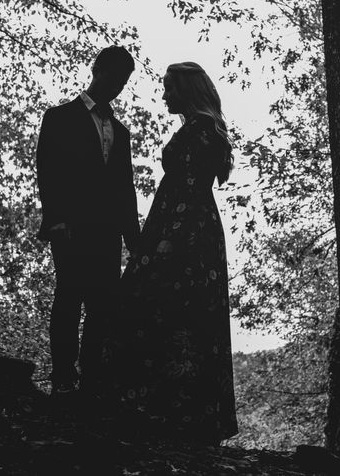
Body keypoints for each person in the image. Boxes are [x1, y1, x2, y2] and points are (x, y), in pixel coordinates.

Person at [107, 61, 238, 444]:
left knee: (168, 310)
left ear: (186, 89)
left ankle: (167, 414)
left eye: (168, 87)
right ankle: (170, 412)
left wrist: (168, 239)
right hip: (184, 226)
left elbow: (192, 188)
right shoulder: (199, 128)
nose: (164, 94)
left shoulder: (200, 130)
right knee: (180, 313)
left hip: (186, 231)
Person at [35, 46, 140, 400]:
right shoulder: (59, 117)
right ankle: (63, 376)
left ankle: (91, 378)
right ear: (97, 71)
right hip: (70, 228)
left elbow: (125, 187)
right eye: (113, 77)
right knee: (68, 297)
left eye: (124, 81)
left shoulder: (121, 132)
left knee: (102, 305)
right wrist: (56, 220)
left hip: (107, 231)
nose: (118, 86)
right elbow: (47, 172)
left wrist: (133, 237)